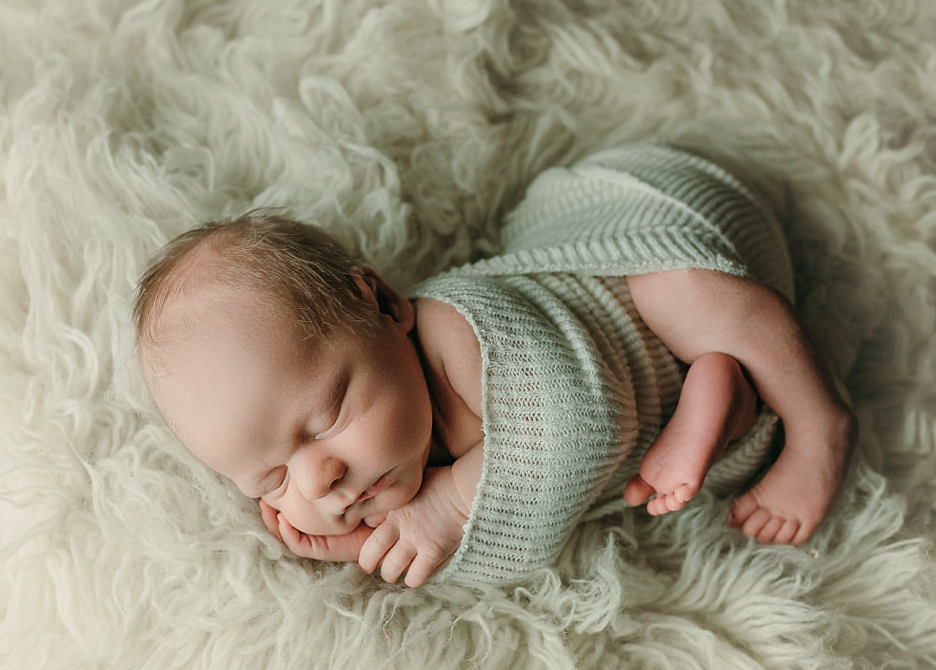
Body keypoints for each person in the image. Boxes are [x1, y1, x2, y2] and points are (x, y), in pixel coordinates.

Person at [134, 142, 856, 588]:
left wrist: (448, 508)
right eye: (272, 478)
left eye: (325, 418)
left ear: (384, 304)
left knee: (679, 288)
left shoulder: (458, 337)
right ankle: (718, 395)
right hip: (665, 409)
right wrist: (372, 546)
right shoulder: (399, 463)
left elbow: (582, 425)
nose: (318, 477)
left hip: (671, 225)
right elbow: (520, 548)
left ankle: (818, 421)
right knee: (678, 464)